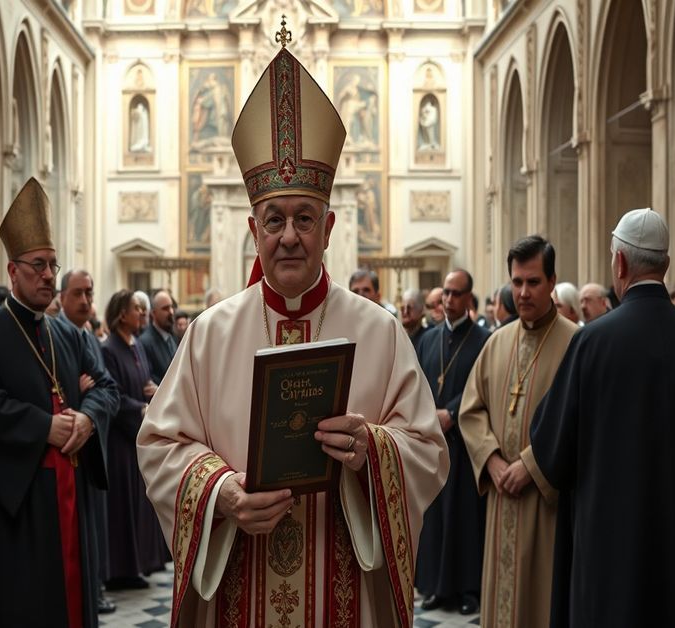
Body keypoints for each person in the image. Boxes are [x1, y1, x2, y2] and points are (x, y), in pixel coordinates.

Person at [137, 38, 448, 626]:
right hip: (239, 587)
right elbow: (158, 447)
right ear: (254, 229)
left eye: (304, 219)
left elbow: (429, 451)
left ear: (328, 227)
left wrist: (371, 450)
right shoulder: (210, 333)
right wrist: (221, 491)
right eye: (274, 220)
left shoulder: (378, 332)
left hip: (346, 594)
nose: (289, 236)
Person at [529, 208, 675, 626]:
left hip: (611, 564)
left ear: (619, 263)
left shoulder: (592, 343)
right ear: (665, 264)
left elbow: (549, 451)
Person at [0, 178, 120, 627]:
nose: (49, 275)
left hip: (73, 492)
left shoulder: (70, 334)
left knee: (75, 600)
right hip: (23, 502)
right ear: (13, 272)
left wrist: (89, 419)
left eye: (53, 264)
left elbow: (107, 387)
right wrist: (42, 427)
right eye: (38, 265)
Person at [458, 236, 579, 628]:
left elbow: (581, 422)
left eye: (533, 282)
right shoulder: (497, 342)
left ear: (552, 282)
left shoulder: (577, 343)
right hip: (501, 498)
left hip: (548, 503)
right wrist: (491, 461)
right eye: (517, 282)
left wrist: (530, 466)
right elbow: (471, 410)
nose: (523, 292)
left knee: (542, 601)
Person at [414, 269, 490, 615]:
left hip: (464, 443)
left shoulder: (483, 340)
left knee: (463, 516)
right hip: (432, 442)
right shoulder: (427, 340)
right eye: (445, 292)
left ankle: (466, 589)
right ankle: (433, 587)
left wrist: (453, 413)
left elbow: (483, 388)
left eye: (456, 294)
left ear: (468, 299)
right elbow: (416, 385)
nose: (448, 300)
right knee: (435, 516)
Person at [57, 268, 118, 615]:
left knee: (93, 530)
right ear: (62, 297)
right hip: (64, 459)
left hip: (91, 452)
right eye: (77, 294)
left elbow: (107, 390)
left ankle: (93, 591)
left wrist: (88, 408)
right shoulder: (55, 334)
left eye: (89, 294)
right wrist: (77, 395)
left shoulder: (89, 338)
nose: (85, 301)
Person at [101, 290, 170, 589]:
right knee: (123, 505)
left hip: (138, 436)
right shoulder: (109, 349)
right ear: (121, 314)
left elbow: (144, 384)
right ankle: (121, 571)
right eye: (137, 309)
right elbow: (113, 392)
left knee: (139, 503)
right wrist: (139, 407)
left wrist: (153, 391)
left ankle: (140, 563)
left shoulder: (136, 347)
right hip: (120, 439)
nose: (142, 314)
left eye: (143, 309)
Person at [138, 289, 178, 384]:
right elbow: (149, 378)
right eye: (165, 308)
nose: (171, 312)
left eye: (171, 307)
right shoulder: (145, 342)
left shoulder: (172, 338)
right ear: (153, 313)